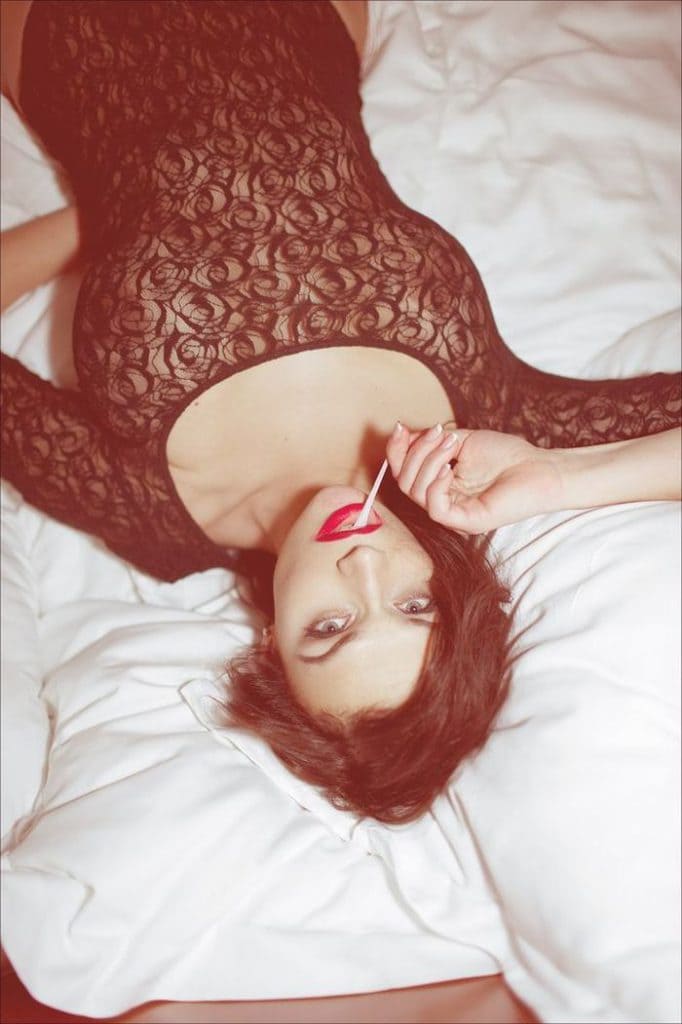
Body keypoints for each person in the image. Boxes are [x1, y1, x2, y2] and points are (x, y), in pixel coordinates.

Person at [1, 0, 680, 822]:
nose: (363, 567)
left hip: (69, 33)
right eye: (415, 606)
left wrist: (102, 217)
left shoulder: (143, 512)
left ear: (271, 647)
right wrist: (563, 478)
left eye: (330, 627)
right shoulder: (486, 428)